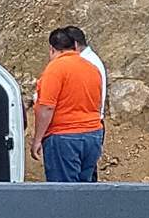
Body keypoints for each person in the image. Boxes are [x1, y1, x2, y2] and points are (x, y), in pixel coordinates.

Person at [31, 28, 103, 182]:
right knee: (85, 191)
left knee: (64, 194)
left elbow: (46, 107)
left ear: (52, 49)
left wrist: (37, 139)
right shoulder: (92, 68)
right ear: (75, 46)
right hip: (93, 135)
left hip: (64, 137)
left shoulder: (55, 69)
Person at [64, 26, 107, 181]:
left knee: (80, 177)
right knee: (87, 176)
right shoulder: (92, 60)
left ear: (74, 45)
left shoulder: (85, 63)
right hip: (92, 125)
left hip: (83, 125)